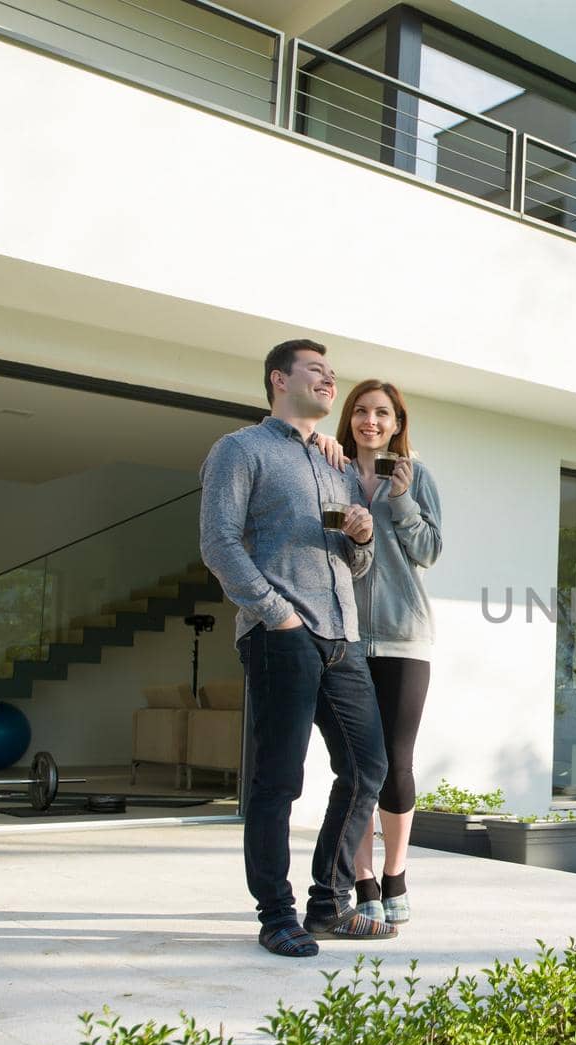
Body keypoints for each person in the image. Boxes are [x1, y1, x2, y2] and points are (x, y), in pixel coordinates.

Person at [199, 339, 399, 957]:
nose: (329, 381)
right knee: (278, 780)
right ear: (279, 379)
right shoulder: (240, 450)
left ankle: (326, 902)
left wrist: (362, 536)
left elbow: (354, 564)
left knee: (368, 767)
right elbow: (219, 542)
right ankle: (275, 914)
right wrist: (276, 614)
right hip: (281, 635)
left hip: (342, 636)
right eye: (317, 370)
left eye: (331, 374)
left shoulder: (339, 466)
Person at [327, 380, 442, 925]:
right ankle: (362, 877)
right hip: (345, 635)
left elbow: (430, 551)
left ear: (398, 422)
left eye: (382, 413)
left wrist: (400, 499)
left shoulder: (418, 477)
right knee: (354, 765)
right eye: (362, 412)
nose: (370, 421)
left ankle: (395, 871)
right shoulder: (332, 472)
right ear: (349, 418)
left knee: (396, 762)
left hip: (403, 637)